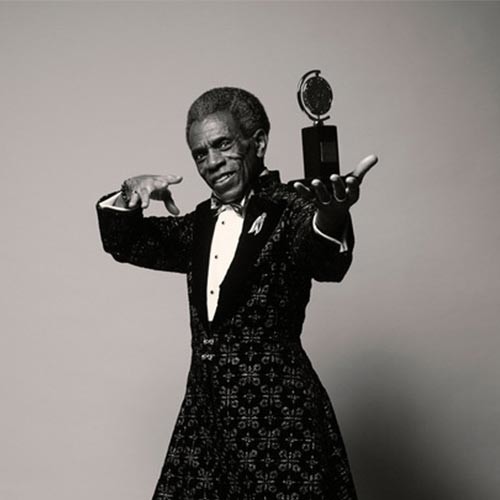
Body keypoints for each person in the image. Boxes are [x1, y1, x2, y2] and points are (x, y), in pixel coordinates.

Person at [96, 87, 377, 500]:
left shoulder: (291, 209)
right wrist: (128, 194)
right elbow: (127, 242)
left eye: (223, 144)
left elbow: (324, 260)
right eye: (200, 153)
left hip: (280, 420)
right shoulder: (199, 225)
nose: (211, 162)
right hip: (205, 422)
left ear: (257, 143)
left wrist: (332, 217)